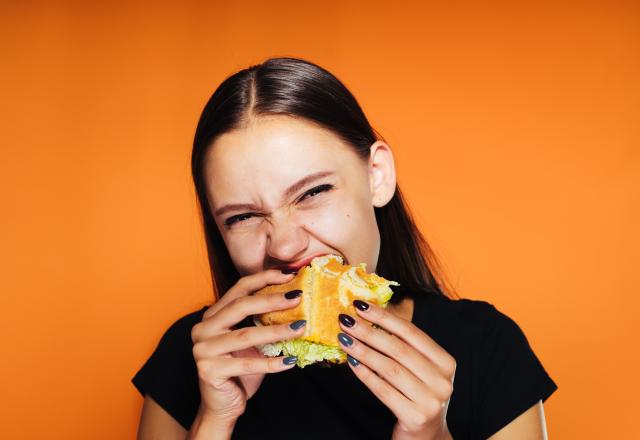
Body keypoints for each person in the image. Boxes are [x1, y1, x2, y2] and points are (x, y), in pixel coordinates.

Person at [132, 57, 557, 439]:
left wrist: (431, 436)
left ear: (376, 175)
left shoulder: (489, 347)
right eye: (242, 217)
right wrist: (213, 423)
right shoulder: (190, 356)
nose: (283, 244)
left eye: (312, 192)